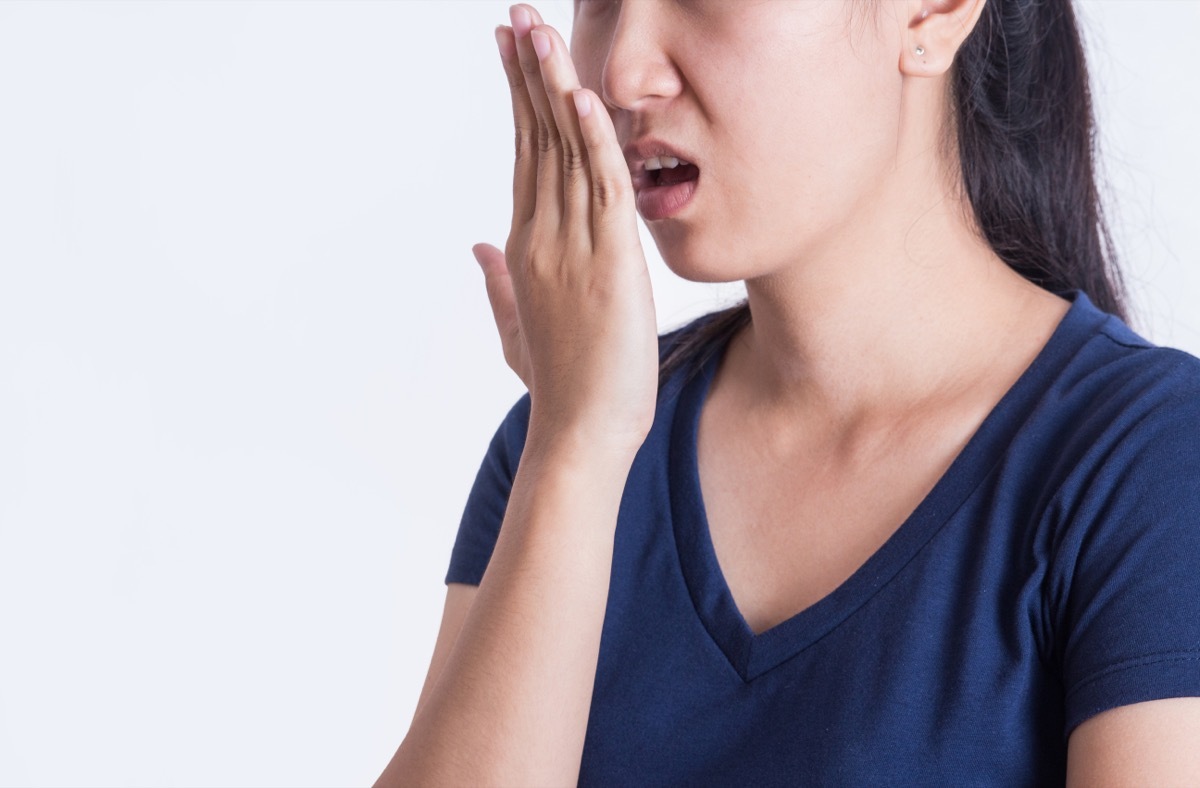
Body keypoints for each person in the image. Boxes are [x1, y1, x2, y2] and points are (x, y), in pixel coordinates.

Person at [375, 0, 1200, 784]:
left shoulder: (1150, 465)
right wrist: (576, 446)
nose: (623, 74)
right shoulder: (560, 446)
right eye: (599, 1)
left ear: (931, 11)